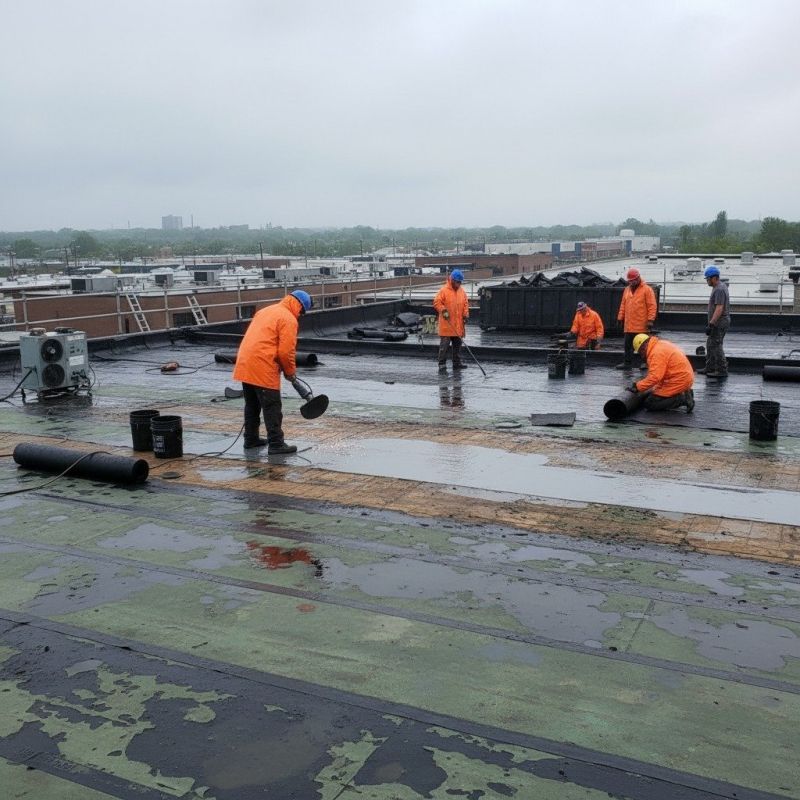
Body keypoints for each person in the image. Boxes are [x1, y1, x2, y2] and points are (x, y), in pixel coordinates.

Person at [232, 289, 313, 454]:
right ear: (300, 308)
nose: (300, 316)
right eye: (302, 313)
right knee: (272, 406)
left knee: (252, 405)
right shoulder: (288, 319)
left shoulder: (266, 311)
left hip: (245, 362)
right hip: (262, 365)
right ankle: (276, 444)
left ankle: (251, 439)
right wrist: (290, 372)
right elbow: (285, 351)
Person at [627, 333, 694, 412]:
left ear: (643, 347)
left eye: (640, 353)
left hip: (678, 380)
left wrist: (637, 387)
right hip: (682, 377)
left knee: (650, 403)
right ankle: (684, 392)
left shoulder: (656, 353)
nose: (642, 356)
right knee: (655, 392)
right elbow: (661, 374)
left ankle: (682, 399)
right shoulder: (659, 344)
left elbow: (655, 377)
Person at [616, 268, 657, 370]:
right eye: (630, 281)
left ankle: (644, 363)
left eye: (634, 280)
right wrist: (620, 318)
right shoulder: (627, 290)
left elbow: (652, 306)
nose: (632, 282)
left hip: (641, 325)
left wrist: (650, 320)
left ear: (638, 278)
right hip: (629, 325)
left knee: (643, 346)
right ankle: (627, 363)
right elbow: (623, 305)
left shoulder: (647, 289)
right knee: (627, 346)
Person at [433, 269, 469, 370]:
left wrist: (466, 314)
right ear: (452, 280)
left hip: (458, 325)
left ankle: (456, 363)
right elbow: (437, 302)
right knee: (444, 346)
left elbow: (466, 304)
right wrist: (443, 310)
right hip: (447, 324)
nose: (459, 284)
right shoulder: (443, 290)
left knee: (457, 345)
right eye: (458, 282)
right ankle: (442, 364)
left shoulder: (462, 291)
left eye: (460, 282)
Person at [698, 265, 730, 378]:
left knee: (716, 345)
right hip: (717, 322)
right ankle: (710, 367)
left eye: (708, 278)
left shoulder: (720, 289)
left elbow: (719, 308)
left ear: (714, 278)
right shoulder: (718, 287)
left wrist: (711, 323)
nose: (707, 281)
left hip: (719, 322)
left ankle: (722, 370)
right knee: (710, 344)